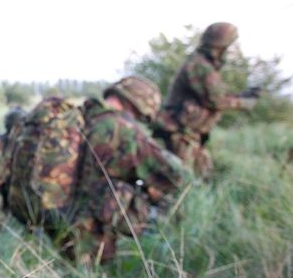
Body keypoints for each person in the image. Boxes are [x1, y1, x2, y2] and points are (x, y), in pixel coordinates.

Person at [69, 76, 188, 263]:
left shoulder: (81, 116)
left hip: (57, 219)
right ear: (138, 104)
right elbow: (173, 175)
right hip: (88, 238)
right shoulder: (125, 130)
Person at [154, 22, 257, 176]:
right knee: (180, 180)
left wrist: (240, 95)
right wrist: (244, 103)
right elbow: (215, 101)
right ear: (221, 46)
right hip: (180, 133)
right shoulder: (200, 66)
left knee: (200, 178)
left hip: (188, 135)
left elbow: (216, 93)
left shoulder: (203, 64)